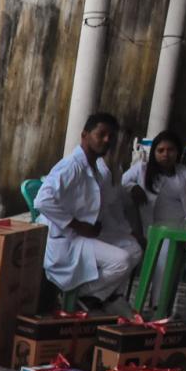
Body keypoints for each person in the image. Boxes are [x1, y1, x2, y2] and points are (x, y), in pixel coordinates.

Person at [36, 112, 142, 314]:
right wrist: (77, 225)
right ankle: (84, 295)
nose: (106, 140)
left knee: (134, 249)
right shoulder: (72, 166)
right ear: (84, 135)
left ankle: (104, 296)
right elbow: (42, 200)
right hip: (67, 239)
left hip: (85, 234)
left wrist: (123, 231)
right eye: (101, 134)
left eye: (110, 136)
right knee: (121, 261)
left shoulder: (95, 168)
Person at [124, 131, 186, 328]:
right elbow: (121, 184)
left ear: (178, 152)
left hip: (185, 227)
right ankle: (157, 308)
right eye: (160, 150)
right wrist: (132, 188)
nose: (165, 154)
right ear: (154, 153)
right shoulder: (142, 170)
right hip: (157, 230)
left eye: (170, 150)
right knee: (164, 256)